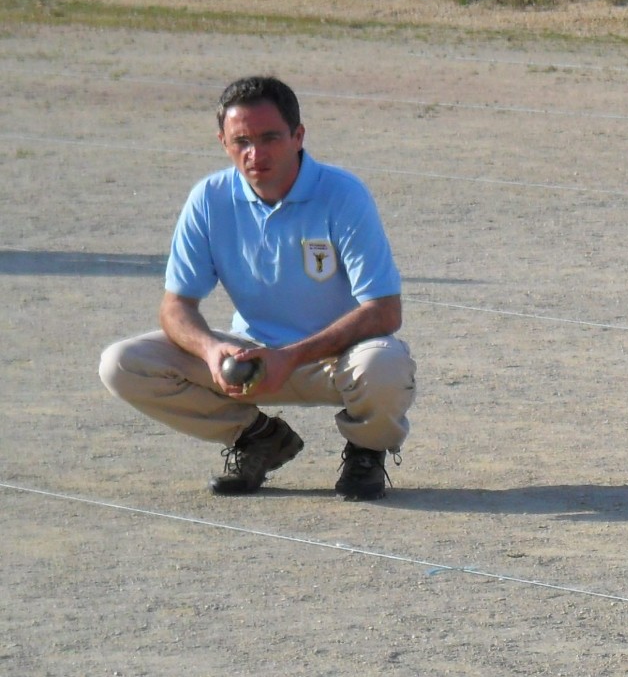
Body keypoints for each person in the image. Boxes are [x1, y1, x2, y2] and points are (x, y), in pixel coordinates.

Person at [100, 75, 411, 499]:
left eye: (270, 138)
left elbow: (384, 310)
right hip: (250, 360)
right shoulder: (208, 199)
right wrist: (212, 350)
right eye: (241, 141)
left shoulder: (342, 194)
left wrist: (291, 355)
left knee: (386, 364)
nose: (255, 153)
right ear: (222, 142)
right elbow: (176, 306)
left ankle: (365, 452)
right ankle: (258, 437)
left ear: (298, 136)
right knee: (121, 362)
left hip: (334, 359)